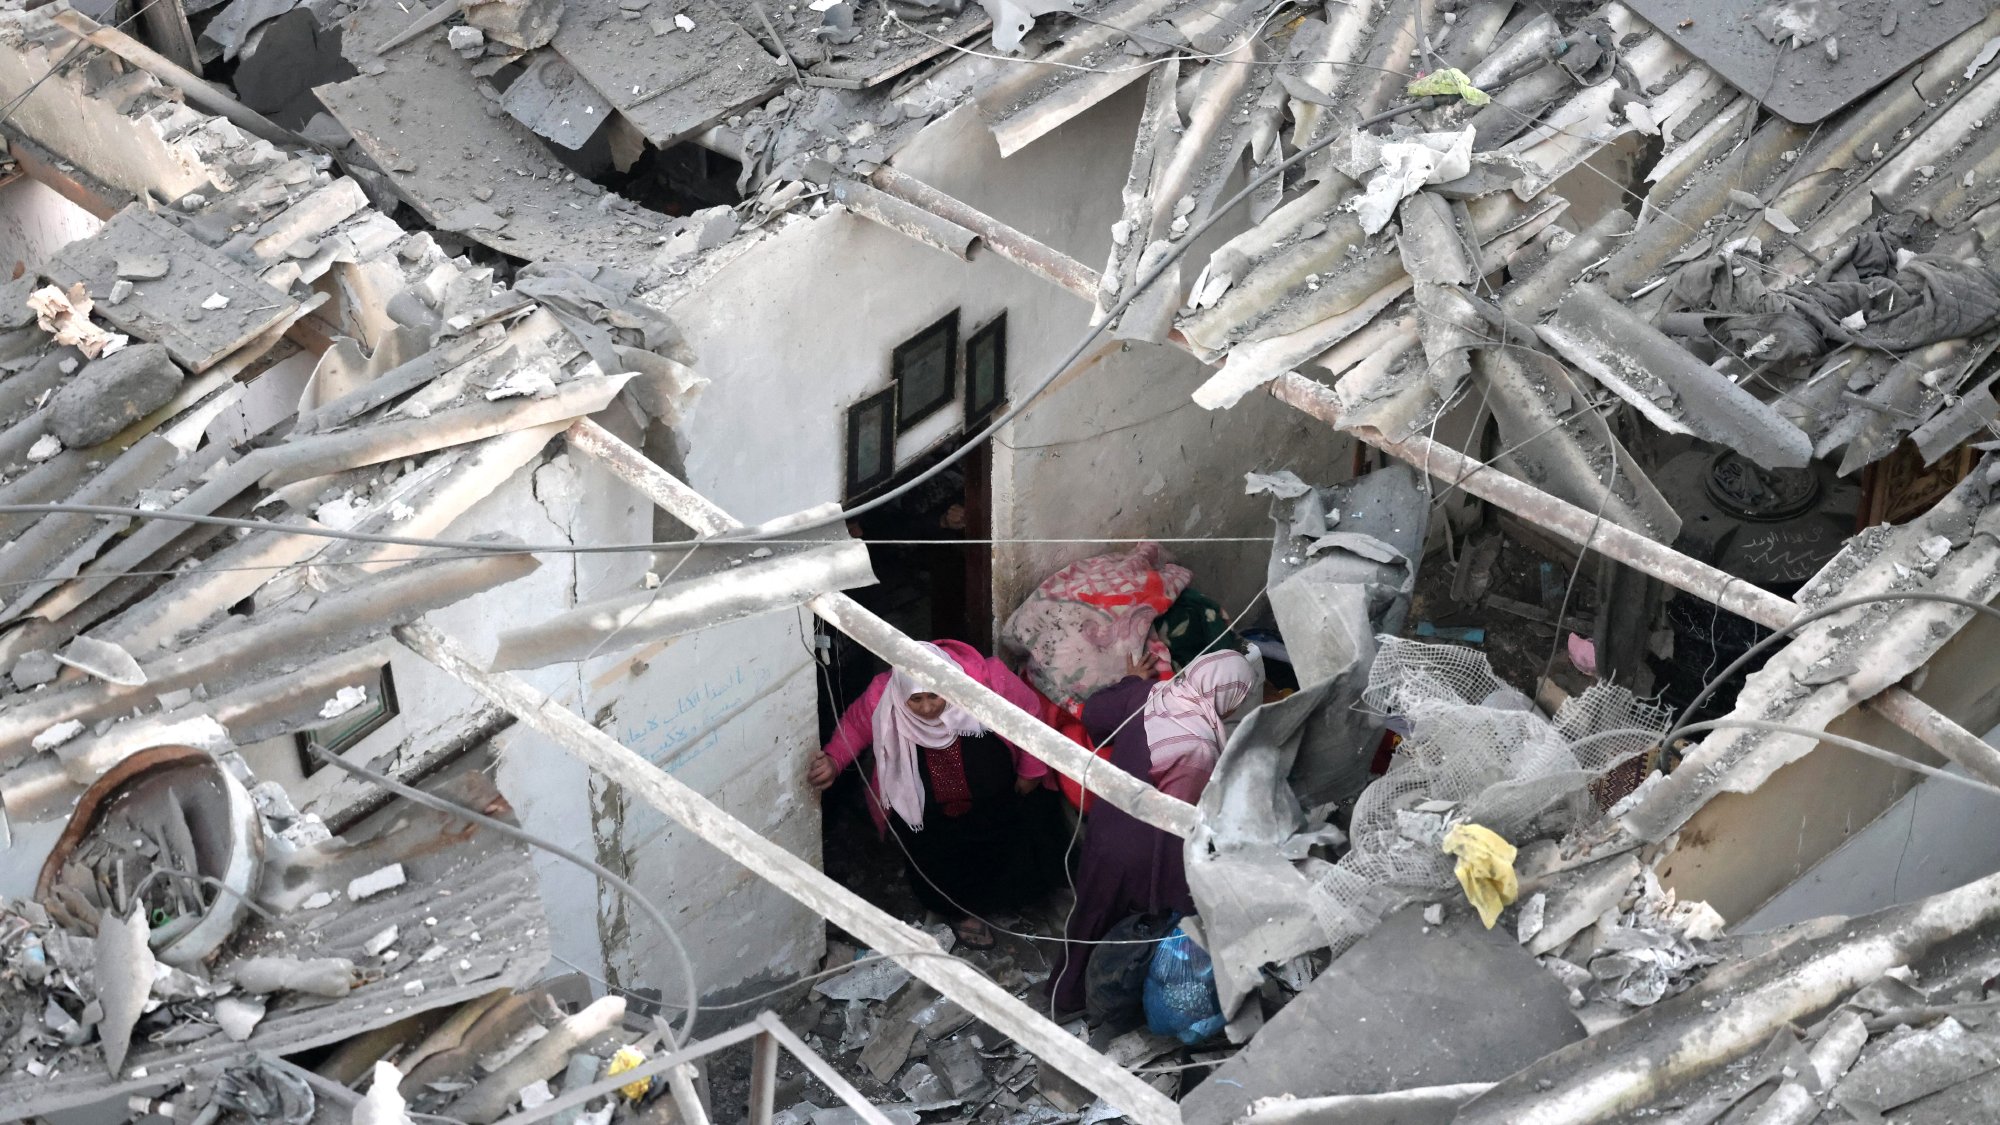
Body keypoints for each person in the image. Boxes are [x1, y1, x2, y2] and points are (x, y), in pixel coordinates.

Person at [809, 640, 1063, 948]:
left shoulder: (986, 681)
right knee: (936, 855)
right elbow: (855, 726)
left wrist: (1031, 769)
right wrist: (834, 760)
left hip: (991, 800)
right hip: (928, 813)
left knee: (1000, 844)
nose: (928, 708)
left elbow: (1028, 715)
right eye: (916, 700)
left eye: (935, 695)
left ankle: (994, 900)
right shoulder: (884, 694)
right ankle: (958, 912)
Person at [1050, 649, 1256, 1014]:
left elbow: (1095, 715)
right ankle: (1120, 1002)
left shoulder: (1150, 694)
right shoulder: (1201, 745)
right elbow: (1181, 818)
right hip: (1149, 851)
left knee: (1090, 915)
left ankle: (1064, 995)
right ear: (1229, 696)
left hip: (1106, 830)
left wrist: (1131, 682)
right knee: (1143, 931)